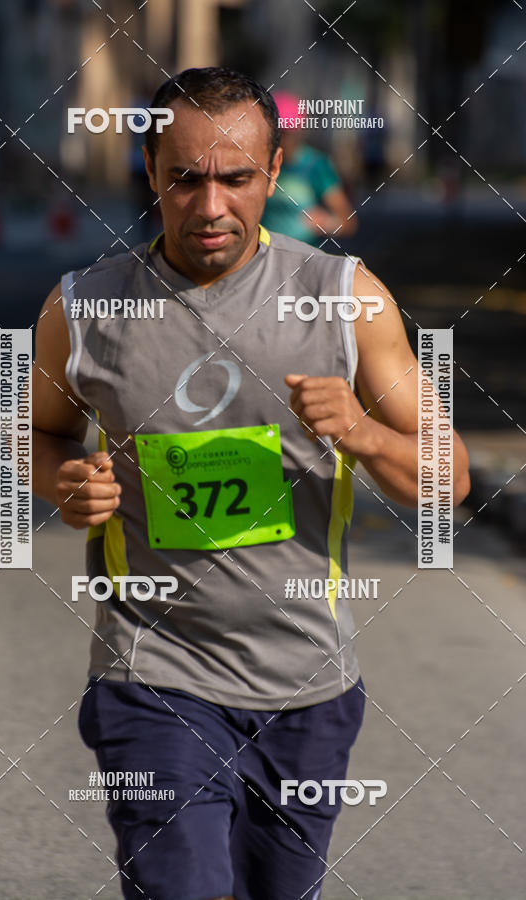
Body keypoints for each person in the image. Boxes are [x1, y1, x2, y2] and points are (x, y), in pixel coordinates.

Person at [32, 67, 470, 900]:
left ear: (274, 173)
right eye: (185, 178)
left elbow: (447, 478)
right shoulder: (84, 309)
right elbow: (40, 434)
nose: (210, 207)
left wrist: (363, 431)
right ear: (151, 170)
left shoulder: (344, 300)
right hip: (150, 675)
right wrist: (63, 483)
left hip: (308, 689)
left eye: (237, 179)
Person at [261, 91, 357, 244]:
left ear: (300, 132)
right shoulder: (260, 162)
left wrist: (328, 223)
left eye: (288, 133)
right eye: (278, 133)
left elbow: (348, 223)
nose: (283, 140)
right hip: (266, 254)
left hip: (304, 257)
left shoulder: (316, 166)